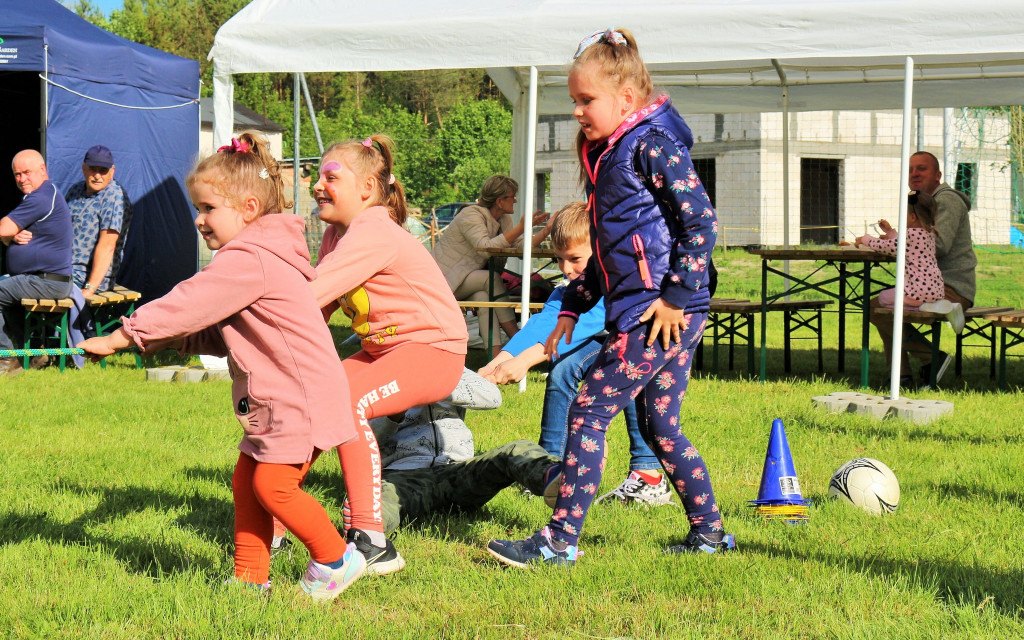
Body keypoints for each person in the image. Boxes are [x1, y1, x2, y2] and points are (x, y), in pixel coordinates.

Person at [77, 131, 367, 600]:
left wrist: (123, 335)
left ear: (248, 209)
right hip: (281, 397)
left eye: (209, 209)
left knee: (273, 486)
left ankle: (336, 558)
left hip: (300, 397)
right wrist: (167, 343)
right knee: (248, 480)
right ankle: (251, 578)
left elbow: (191, 300)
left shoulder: (248, 257)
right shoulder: (261, 256)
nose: (198, 220)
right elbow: (222, 326)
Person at [487, 28, 733, 568]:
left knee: (590, 407)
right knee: (659, 424)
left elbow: (701, 223)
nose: (576, 111)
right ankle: (711, 533)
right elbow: (610, 250)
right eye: (573, 100)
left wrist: (674, 297)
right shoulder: (614, 154)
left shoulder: (652, 145)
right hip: (659, 308)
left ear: (625, 99)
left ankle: (558, 541)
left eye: (585, 100)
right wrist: (572, 306)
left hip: (659, 312)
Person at [310, 134, 468, 574]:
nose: (317, 185)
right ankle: (282, 512)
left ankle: (371, 539)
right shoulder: (333, 236)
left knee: (347, 402)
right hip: (384, 351)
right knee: (312, 398)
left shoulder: (372, 229)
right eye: (317, 176)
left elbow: (306, 298)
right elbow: (316, 313)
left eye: (330, 177)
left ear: (365, 188)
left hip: (432, 349)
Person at [479, 201, 672, 506]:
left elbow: (583, 325)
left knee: (634, 375)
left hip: (644, 342)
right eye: (559, 260)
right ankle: (549, 469)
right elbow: (544, 323)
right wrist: (495, 364)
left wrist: (526, 361)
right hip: (605, 339)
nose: (566, 269)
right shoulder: (570, 285)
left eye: (575, 259)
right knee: (564, 370)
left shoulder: (615, 282)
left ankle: (648, 476)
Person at [869, 151, 977, 388]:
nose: (914, 174)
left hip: (950, 288)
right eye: (910, 170)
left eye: (921, 168)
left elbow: (939, 245)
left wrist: (894, 244)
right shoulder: (924, 202)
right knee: (880, 306)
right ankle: (904, 375)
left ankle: (929, 360)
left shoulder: (946, 200)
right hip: (927, 285)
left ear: (938, 175)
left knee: (878, 308)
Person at [431, 175, 554, 355]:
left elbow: (520, 248)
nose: (515, 200)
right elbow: (486, 249)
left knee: (484, 298)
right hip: (443, 281)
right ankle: (517, 338)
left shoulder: (504, 220)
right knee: (491, 279)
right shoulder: (470, 215)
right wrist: (521, 227)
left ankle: (494, 357)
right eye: (512, 196)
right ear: (499, 201)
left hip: (464, 280)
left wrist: (545, 231)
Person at [857, 192, 966, 386]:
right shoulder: (929, 232)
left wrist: (865, 239)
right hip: (934, 288)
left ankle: (929, 353)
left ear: (913, 217)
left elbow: (889, 247)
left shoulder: (910, 235)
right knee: (886, 306)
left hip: (915, 289)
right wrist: (891, 232)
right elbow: (902, 244)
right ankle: (928, 309)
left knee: (883, 299)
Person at [0, 150, 74, 375]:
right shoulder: (39, 195)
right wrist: (11, 236)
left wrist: (8, 233)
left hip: (48, 281)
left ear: (43, 170)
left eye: (27, 173)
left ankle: (4, 359)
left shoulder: (42, 197)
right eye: (17, 174)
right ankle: (28, 354)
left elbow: (3, 227)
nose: (22, 179)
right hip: (40, 279)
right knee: (5, 292)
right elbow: (7, 229)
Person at [64, 145, 133, 298]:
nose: (97, 176)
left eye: (103, 171)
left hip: (84, 277)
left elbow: (108, 245)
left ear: (112, 171)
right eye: (92, 169)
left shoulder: (114, 196)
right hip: (62, 270)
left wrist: (90, 288)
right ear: (84, 169)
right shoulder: (75, 191)